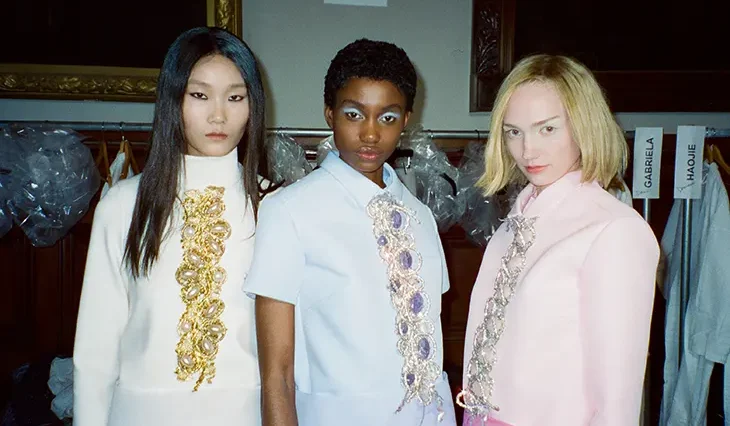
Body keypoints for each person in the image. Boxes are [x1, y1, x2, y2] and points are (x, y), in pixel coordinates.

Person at [243, 38, 457, 426]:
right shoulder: (288, 210)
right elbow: (277, 376)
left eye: (387, 117)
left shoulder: (421, 216)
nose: (370, 134)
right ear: (330, 113)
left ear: (406, 120)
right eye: (354, 114)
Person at [73, 26, 270, 426]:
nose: (219, 115)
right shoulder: (123, 206)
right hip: (140, 414)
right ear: (172, 99)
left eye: (235, 97)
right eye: (199, 95)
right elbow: (95, 352)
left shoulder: (274, 207)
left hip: (245, 415)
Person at [456, 54, 660, 426]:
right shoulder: (514, 222)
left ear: (584, 126)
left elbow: (617, 402)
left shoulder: (614, 229)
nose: (527, 150)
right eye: (513, 132)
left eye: (547, 129)